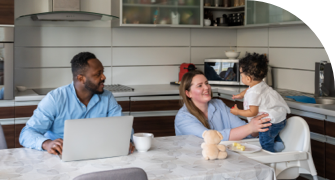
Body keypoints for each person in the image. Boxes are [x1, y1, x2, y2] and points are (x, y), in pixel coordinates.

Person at [19, 52, 135, 155]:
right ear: (81, 78)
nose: (103, 77)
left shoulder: (107, 97)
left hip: (97, 154)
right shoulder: (55, 99)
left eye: (103, 72)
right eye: (98, 74)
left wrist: (125, 140)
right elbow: (27, 133)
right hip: (58, 157)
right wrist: (47, 143)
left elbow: (123, 127)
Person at [174, 70, 272, 141]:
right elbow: (212, 138)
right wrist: (250, 128)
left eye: (206, 83)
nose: (206, 88)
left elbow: (243, 129)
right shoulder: (183, 118)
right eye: (200, 85)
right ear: (188, 93)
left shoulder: (218, 104)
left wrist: (256, 127)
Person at [230, 53, 290, 152]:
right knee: (272, 134)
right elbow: (248, 90)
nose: (241, 77)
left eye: (241, 75)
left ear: (248, 78)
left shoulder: (254, 93)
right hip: (279, 120)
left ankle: (270, 156)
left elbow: (252, 112)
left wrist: (238, 112)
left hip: (270, 123)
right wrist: (241, 95)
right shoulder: (259, 84)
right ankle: (278, 144)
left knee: (265, 141)